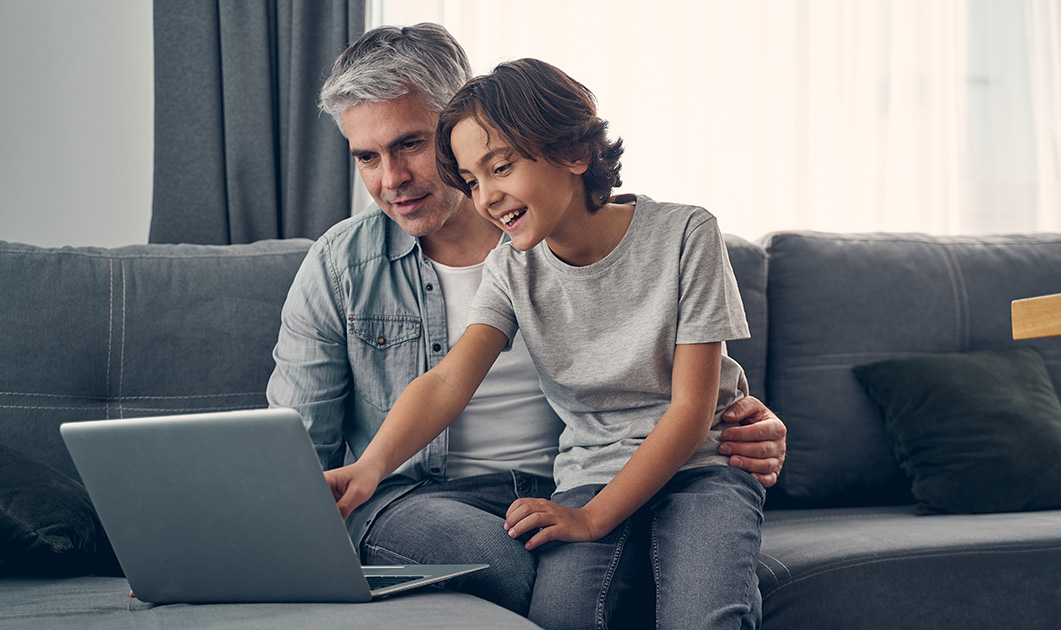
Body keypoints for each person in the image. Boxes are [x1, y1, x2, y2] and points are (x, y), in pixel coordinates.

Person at [266, 23, 786, 619]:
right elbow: (426, 389)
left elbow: (689, 398)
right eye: (366, 157)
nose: (390, 179)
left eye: (410, 144)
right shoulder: (367, 266)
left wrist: (748, 417)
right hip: (463, 495)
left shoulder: (653, 232)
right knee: (553, 588)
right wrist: (363, 471)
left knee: (684, 593)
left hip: (594, 481)